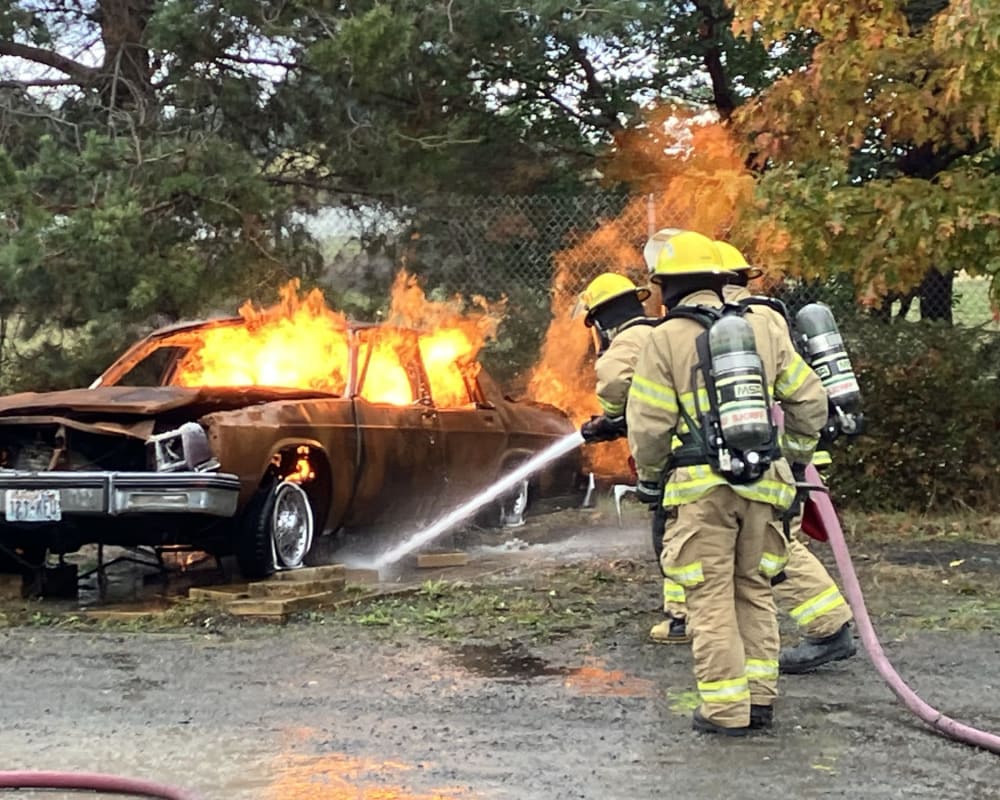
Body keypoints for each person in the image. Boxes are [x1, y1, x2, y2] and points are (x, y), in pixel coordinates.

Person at [627, 230, 828, 735]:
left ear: (668, 287)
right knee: (755, 590)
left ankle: (724, 710)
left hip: (701, 491)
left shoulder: (663, 338)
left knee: (709, 598)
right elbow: (809, 402)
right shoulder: (764, 328)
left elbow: (649, 425)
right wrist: (797, 460)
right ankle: (759, 702)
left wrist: (651, 481)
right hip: (767, 483)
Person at [716, 240, 856, 673]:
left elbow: (797, 395)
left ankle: (829, 629)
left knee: (773, 543)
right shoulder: (763, 313)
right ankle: (827, 627)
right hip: (788, 448)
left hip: (771, 454)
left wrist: (793, 463)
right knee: (772, 542)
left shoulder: (742, 323)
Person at [574, 270, 690, 644]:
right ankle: (695, 612)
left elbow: (614, 393)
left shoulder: (625, 343)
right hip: (697, 449)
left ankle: (683, 618)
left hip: (674, 460)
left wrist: (606, 422)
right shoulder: (662, 330)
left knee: (669, 534)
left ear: (601, 321)